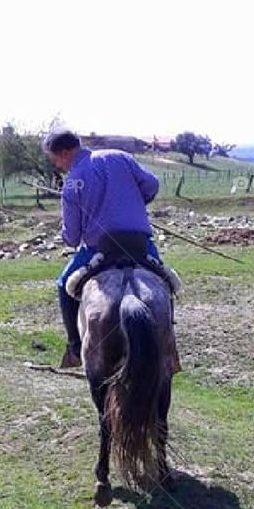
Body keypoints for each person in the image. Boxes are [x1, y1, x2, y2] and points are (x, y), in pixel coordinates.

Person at [43, 129, 178, 359]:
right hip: (139, 244)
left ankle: (75, 348)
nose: (58, 167)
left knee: (64, 285)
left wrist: (66, 232)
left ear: (65, 152)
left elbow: (73, 238)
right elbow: (152, 185)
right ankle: (169, 348)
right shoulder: (119, 156)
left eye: (55, 160)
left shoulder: (72, 183)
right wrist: (135, 202)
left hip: (100, 249)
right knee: (165, 284)